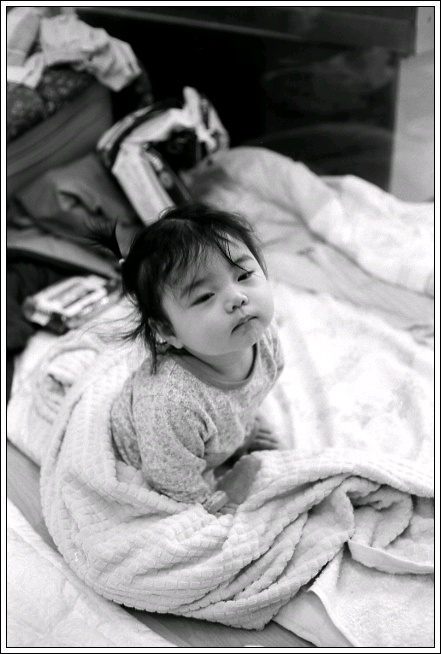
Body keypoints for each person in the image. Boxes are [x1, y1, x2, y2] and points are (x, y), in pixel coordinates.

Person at [98, 202, 284, 513]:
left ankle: (234, 440)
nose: (237, 298)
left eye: (243, 275)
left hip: (213, 437)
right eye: (205, 296)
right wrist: (205, 503)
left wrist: (246, 432)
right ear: (168, 330)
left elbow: (247, 398)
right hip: (156, 456)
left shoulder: (263, 336)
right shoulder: (171, 401)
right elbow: (167, 475)